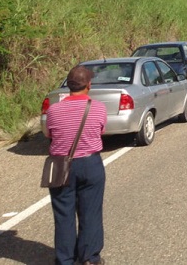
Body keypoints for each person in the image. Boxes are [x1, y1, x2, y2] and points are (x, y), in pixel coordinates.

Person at [44, 65, 108, 265]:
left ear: (68, 86)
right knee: (91, 212)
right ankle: (89, 257)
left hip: (61, 164)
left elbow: (49, 135)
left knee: (63, 214)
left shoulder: (54, 110)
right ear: (89, 85)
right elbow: (101, 131)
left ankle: (65, 259)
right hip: (90, 163)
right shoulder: (97, 107)